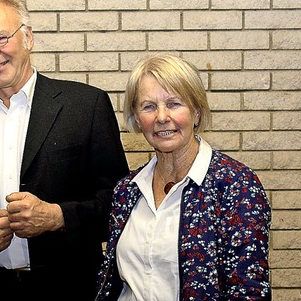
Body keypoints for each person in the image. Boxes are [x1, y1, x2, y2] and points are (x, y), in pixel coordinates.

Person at [0, 0, 130, 300]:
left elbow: (119, 206)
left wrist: (56, 216)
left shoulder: (85, 106)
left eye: (0, 38)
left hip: (69, 289)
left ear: (28, 37)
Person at [94, 54, 271, 300]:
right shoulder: (126, 190)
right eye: (149, 106)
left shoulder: (235, 186)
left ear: (197, 112)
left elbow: (249, 292)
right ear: (136, 119)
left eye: (174, 103)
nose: (162, 117)